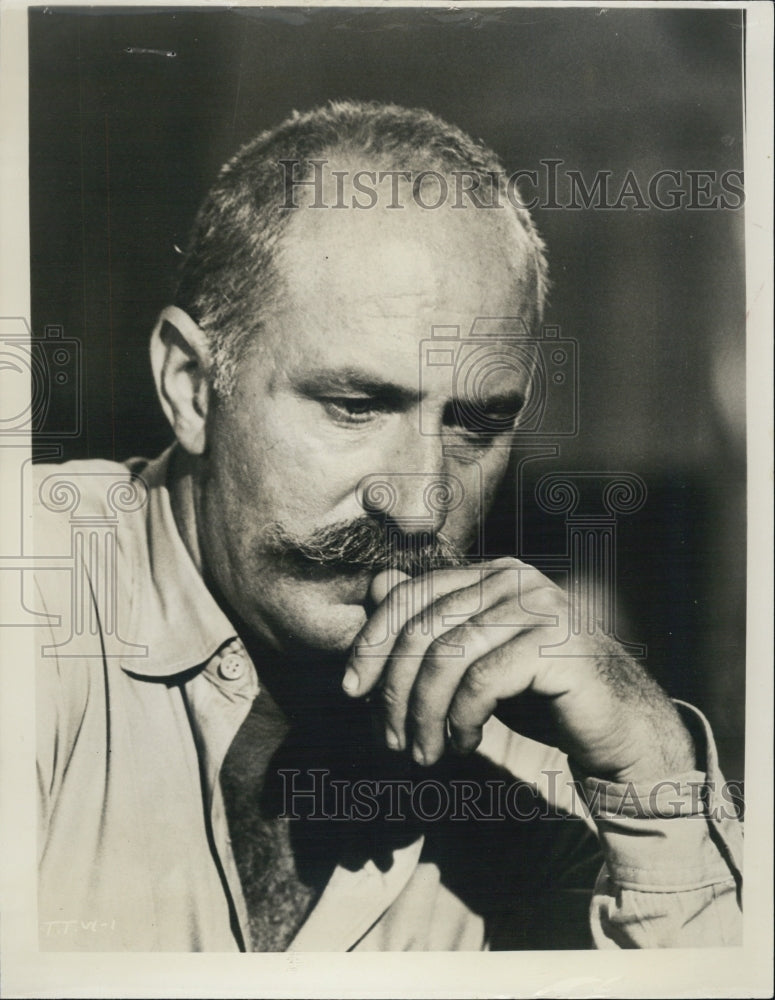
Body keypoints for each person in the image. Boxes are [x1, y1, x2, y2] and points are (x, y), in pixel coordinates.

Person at [34, 101, 742, 952]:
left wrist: (649, 767)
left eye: (475, 425)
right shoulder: (32, 601)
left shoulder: (540, 742)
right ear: (191, 385)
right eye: (356, 405)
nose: (420, 503)